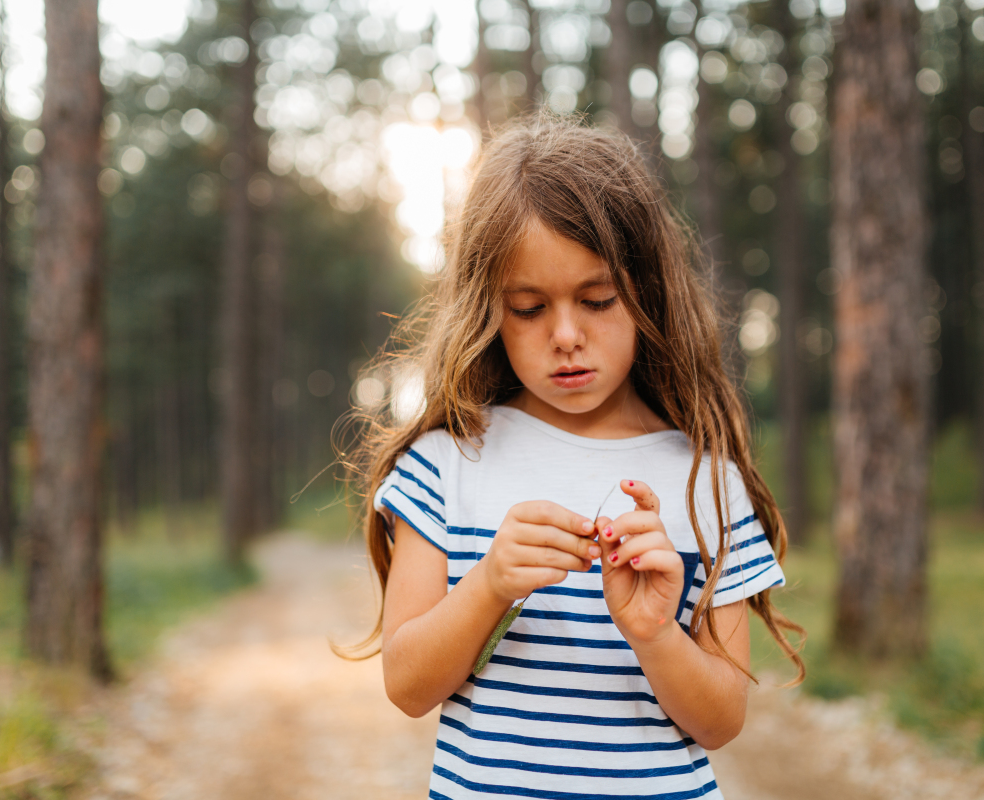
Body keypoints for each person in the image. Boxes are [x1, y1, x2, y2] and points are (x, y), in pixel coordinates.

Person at [342, 113, 804, 800]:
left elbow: (721, 720)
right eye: (528, 308)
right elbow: (407, 686)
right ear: (487, 310)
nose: (565, 335)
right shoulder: (447, 465)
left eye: (597, 299)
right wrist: (491, 583)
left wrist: (654, 634)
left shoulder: (707, 481)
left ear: (647, 292)